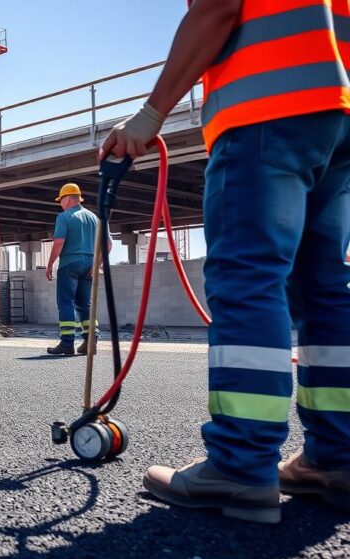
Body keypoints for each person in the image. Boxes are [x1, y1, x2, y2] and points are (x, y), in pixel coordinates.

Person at [101, 0, 350, 522]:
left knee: (249, 279)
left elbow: (217, 7)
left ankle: (241, 465)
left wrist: (150, 114)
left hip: (267, 106)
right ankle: (337, 458)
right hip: (338, 118)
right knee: (325, 289)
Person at [46, 183, 102, 356]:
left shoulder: (64, 217)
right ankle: (90, 342)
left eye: (61, 200)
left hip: (69, 264)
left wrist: (50, 264)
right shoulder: (95, 218)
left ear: (68, 199)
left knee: (66, 302)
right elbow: (107, 245)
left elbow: (59, 242)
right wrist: (96, 265)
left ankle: (67, 343)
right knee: (85, 303)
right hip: (89, 264)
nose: (60, 204)